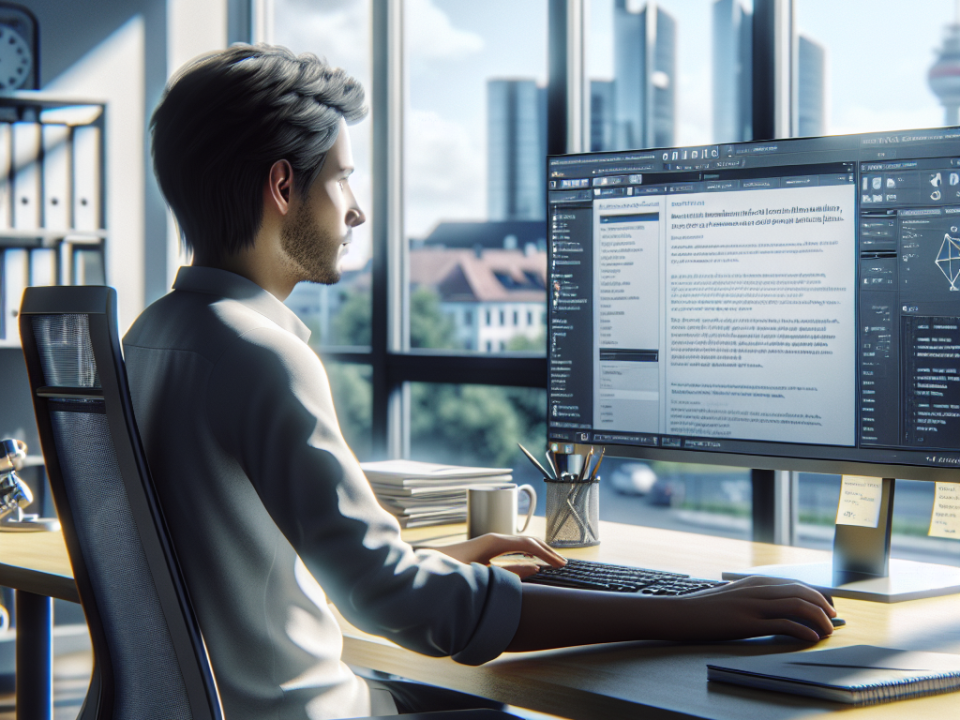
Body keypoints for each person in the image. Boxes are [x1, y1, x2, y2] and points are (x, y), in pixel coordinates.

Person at [125, 44, 838, 720]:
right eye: (342, 177)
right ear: (283, 186)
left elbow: (241, 565)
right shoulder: (259, 354)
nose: (356, 210)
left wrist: (434, 560)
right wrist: (689, 612)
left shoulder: (153, 337)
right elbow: (413, 610)